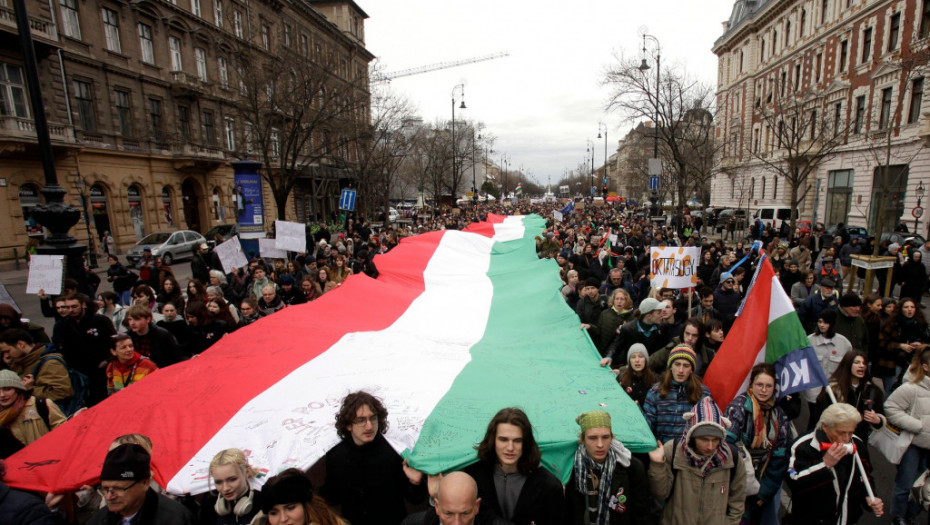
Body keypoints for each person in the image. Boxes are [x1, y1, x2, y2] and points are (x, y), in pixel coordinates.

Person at [320, 391, 427, 525]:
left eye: (373, 418)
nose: (369, 426)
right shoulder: (336, 456)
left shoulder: (393, 451)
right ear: (348, 425)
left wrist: (415, 483)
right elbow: (332, 496)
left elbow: (414, 499)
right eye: (361, 420)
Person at [648, 398, 746, 525]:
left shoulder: (732, 458)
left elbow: (737, 501)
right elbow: (659, 493)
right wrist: (657, 465)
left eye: (715, 439)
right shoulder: (673, 451)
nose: (710, 446)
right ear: (692, 435)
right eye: (704, 439)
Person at [785, 403, 883, 525]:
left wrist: (869, 496)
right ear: (825, 427)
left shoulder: (857, 444)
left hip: (847, 519)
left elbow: (865, 476)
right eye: (841, 432)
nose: (847, 439)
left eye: (850, 432)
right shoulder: (802, 446)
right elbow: (792, 478)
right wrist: (824, 465)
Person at [463, 408, 563, 525]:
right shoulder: (474, 474)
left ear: (526, 443)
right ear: (493, 440)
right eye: (503, 440)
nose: (510, 448)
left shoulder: (549, 485)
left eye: (517, 441)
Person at [724, 363, 790, 525]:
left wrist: (764, 492)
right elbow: (727, 445)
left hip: (764, 481)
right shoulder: (738, 408)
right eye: (759, 385)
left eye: (768, 386)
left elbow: (780, 458)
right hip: (736, 480)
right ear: (751, 384)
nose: (763, 390)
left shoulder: (779, 415)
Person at [563, 410, 648, 525]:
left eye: (605, 437)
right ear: (583, 439)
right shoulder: (570, 468)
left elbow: (641, 513)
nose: (600, 445)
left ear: (611, 437)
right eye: (592, 438)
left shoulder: (631, 467)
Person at [88, 443, 193, 524]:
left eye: (118, 489)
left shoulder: (175, 519)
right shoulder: (98, 520)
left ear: (145, 483)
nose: (109, 496)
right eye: (105, 488)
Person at [884, 347, 930, 525]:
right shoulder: (911, 388)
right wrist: (917, 425)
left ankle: (911, 512)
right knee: (906, 482)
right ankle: (899, 517)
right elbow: (890, 407)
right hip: (913, 444)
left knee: (925, 487)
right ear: (925, 367)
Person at [642, 345, 713, 444]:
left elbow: (707, 426)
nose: (681, 370)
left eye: (686, 366)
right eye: (677, 364)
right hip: (662, 450)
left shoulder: (702, 393)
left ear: (692, 369)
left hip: (690, 451)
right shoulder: (655, 392)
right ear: (671, 366)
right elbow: (647, 426)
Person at [815, 350, 885, 444]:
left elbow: (880, 414)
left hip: (859, 442)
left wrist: (877, 420)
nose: (862, 366)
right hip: (834, 440)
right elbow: (820, 414)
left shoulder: (872, 390)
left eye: (864, 363)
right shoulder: (832, 389)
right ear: (847, 365)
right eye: (857, 363)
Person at [804, 309, 852, 428]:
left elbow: (847, 365)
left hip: (834, 389)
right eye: (820, 322)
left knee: (831, 419)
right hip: (814, 388)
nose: (822, 325)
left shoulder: (844, 343)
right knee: (814, 418)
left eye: (825, 322)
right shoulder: (809, 340)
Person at [0, 329, 73, 402]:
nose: (6, 356)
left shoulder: (51, 363)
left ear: (21, 344)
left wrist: (31, 390)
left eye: (7, 351)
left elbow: (62, 392)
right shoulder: (21, 362)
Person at [0, 370, 65, 451]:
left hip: (51, 459)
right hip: (19, 463)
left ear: (17, 389)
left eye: (7, 389)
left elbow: (65, 432)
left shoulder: (41, 405)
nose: (2, 395)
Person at [198, 448, 262, 525]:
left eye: (232, 480)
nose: (225, 488)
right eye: (219, 482)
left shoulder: (264, 500)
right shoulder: (209, 505)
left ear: (247, 472)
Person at [600, 298, 670, 369]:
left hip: (654, 369)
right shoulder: (628, 329)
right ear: (649, 316)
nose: (662, 314)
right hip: (632, 369)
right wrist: (609, 357)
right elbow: (616, 346)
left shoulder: (662, 327)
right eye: (659, 312)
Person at [878, 297, 930, 393]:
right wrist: (900, 346)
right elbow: (882, 343)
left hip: (914, 362)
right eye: (906, 307)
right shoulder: (891, 324)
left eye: (912, 307)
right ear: (900, 309)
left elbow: (927, 343)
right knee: (892, 390)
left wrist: (920, 345)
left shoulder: (921, 325)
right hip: (894, 362)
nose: (909, 309)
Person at [596, 289, 634, 356]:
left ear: (626, 301)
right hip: (603, 353)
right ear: (613, 300)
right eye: (617, 299)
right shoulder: (605, 314)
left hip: (621, 357)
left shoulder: (632, 317)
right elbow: (598, 332)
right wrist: (590, 327)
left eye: (622, 299)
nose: (619, 301)